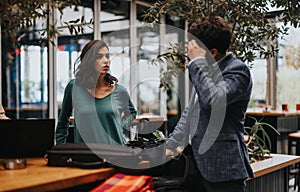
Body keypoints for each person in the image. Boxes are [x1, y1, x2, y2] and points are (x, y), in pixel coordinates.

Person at [165, 16, 254, 192]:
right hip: (196, 167)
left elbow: (212, 101)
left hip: (223, 170)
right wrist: (170, 145)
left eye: (194, 49)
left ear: (212, 52)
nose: (189, 53)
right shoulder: (205, 71)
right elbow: (191, 111)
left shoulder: (237, 70)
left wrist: (197, 62)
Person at [56, 40, 137, 145]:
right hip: (86, 157)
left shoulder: (119, 91)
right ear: (88, 60)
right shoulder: (74, 87)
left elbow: (132, 113)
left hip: (116, 153)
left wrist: (120, 123)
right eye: (99, 57)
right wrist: (61, 150)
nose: (106, 61)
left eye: (107, 56)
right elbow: (63, 122)